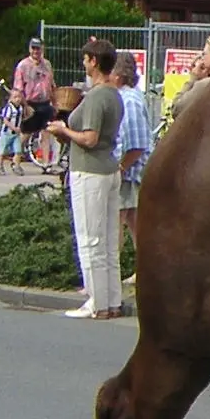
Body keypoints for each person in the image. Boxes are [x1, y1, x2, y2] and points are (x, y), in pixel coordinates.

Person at [47, 39, 125, 319]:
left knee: (90, 239)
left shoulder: (95, 96)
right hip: (110, 168)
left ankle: (96, 301)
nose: (83, 63)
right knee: (107, 240)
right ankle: (112, 300)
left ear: (93, 61)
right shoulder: (114, 94)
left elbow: (90, 138)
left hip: (89, 170)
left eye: (85, 59)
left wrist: (64, 131)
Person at [110, 52, 152, 285]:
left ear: (118, 75)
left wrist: (121, 168)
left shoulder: (129, 101)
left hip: (130, 172)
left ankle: (110, 274)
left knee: (116, 220)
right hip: (131, 170)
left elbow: (137, 144)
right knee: (134, 222)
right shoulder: (128, 97)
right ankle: (144, 270)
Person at [167, 35, 210, 122]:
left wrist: (193, 78)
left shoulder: (205, 85)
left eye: (204, 54)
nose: (201, 58)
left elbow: (177, 110)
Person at [13, 36, 56, 168]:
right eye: (33, 48)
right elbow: (19, 88)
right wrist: (26, 106)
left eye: (38, 48)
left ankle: (46, 163)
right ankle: (16, 160)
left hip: (45, 102)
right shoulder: (23, 65)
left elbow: (52, 85)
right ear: (30, 49)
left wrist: (54, 103)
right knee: (26, 133)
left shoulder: (47, 64)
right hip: (30, 103)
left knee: (46, 132)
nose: (36, 51)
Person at [0, 87, 27, 175]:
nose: (18, 99)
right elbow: (5, 120)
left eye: (19, 97)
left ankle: (16, 165)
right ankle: (0, 166)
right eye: (15, 97)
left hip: (16, 134)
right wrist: (13, 127)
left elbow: (21, 118)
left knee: (18, 150)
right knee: (2, 151)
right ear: (10, 98)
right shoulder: (8, 108)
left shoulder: (20, 108)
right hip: (6, 133)